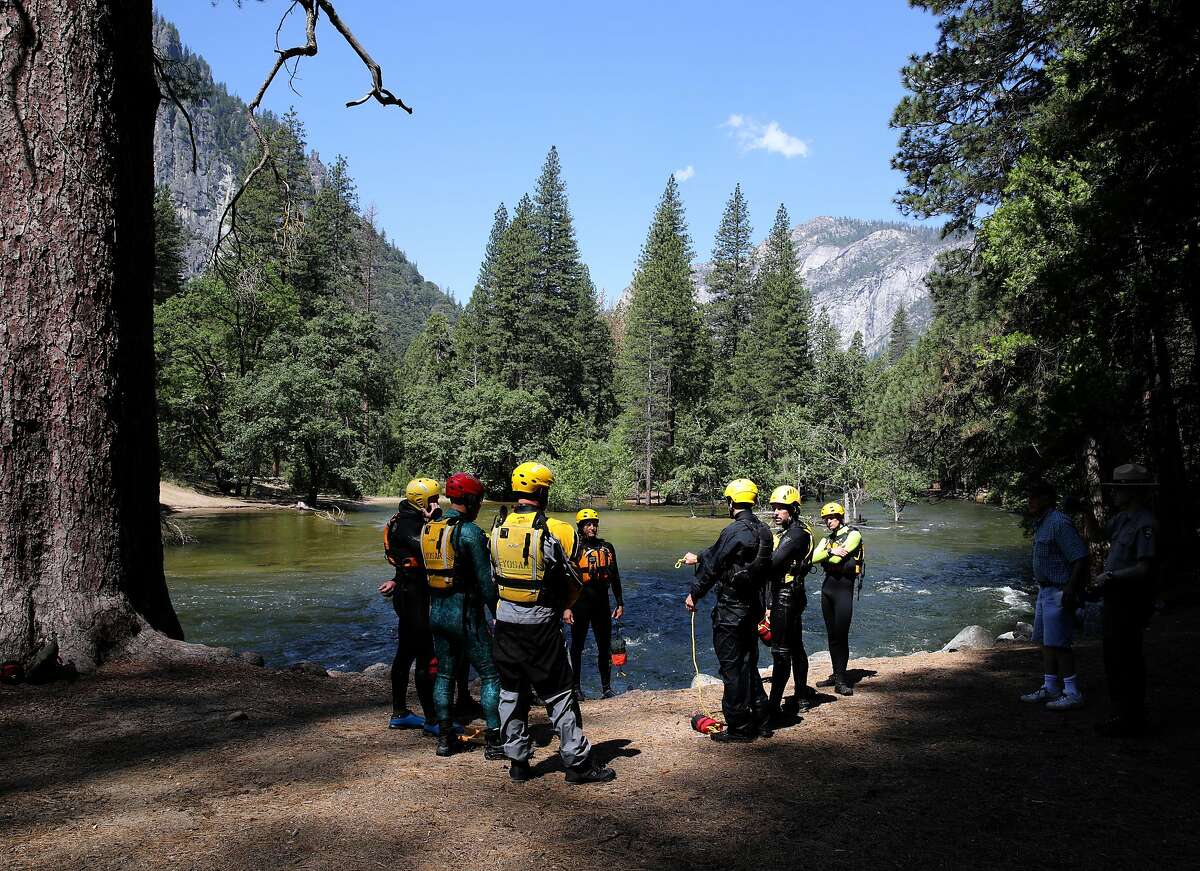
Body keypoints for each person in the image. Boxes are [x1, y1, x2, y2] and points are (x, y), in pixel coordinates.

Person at [489, 461, 616, 784]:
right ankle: (577, 764)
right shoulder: (559, 529)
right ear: (542, 492)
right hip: (541, 623)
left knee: (511, 691)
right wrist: (565, 607)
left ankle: (518, 761)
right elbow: (575, 579)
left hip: (505, 622)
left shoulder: (496, 527)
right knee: (560, 693)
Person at [682, 478, 774, 743]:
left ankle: (739, 727)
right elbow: (719, 555)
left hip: (731, 611)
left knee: (732, 668)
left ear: (731, 502)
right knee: (749, 663)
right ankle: (762, 719)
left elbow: (714, 565)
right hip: (753, 609)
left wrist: (694, 594)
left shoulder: (733, 531)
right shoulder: (764, 530)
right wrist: (698, 556)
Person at [422, 472, 506, 759]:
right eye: (479, 500)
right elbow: (486, 583)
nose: (480, 505)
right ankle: (495, 742)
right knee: (490, 675)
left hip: (437, 613)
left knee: (444, 674)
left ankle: (445, 740)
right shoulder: (469, 532)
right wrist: (497, 613)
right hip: (465, 616)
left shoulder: (432, 527)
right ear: (471, 501)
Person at [1087, 464, 1158, 737]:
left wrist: (1110, 576)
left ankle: (1133, 717)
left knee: (1127, 656)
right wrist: (1085, 513)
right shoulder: (1122, 519)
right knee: (1113, 655)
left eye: (1118, 488)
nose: (1113, 492)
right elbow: (1097, 536)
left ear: (1132, 491)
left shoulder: (1145, 524)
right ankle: (1122, 713)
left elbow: (1144, 569)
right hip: (1116, 598)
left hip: (1131, 599)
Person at [1019, 480, 1088, 711]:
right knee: (1046, 642)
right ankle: (1050, 687)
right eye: (1030, 496)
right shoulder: (1042, 523)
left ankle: (1072, 692)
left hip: (1059, 590)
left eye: (1035, 496)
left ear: (1048, 498)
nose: (1030, 500)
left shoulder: (1059, 523)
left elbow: (1079, 557)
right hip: (1044, 590)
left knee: (1060, 644)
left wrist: (1070, 588)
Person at [379, 478, 441, 732]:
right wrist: (436, 521)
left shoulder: (405, 518)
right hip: (414, 597)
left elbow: (408, 560)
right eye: (433, 499)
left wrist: (395, 580)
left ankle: (400, 712)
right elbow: (432, 550)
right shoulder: (409, 523)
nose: (437, 503)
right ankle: (432, 720)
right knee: (426, 656)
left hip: (406, 591)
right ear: (420, 501)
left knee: (405, 653)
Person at [764, 485, 815, 721]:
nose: (776, 512)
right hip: (790, 594)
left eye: (781, 508)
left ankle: (774, 706)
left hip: (786, 596)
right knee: (795, 647)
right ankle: (802, 696)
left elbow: (772, 564)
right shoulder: (787, 533)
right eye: (774, 507)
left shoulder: (797, 535)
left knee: (781, 652)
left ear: (793, 509)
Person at [567, 509, 625, 702]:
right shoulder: (574, 548)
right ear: (580, 527)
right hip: (579, 604)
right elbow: (564, 579)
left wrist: (619, 602)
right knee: (577, 646)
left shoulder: (607, 547)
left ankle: (606, 688)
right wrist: (566, 606)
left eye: (594, 524)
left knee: (604, 647)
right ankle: (575, 688)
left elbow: (614, 575)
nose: (592, 527)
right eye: (588, 524)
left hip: (602, 603)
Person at [810, 502, 865, 697]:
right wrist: (831, 551)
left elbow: (834, 560)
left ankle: (841, 681)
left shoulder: (854, 534)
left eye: (831, 518)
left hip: (843, 589)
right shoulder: (827, 539)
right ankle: (836, 674)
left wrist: (828, 555)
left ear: (840, 517)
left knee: (841, 635)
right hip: (827, 589)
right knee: (832, 635)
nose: (828, 521)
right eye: (826, 518)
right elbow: (812, 558)